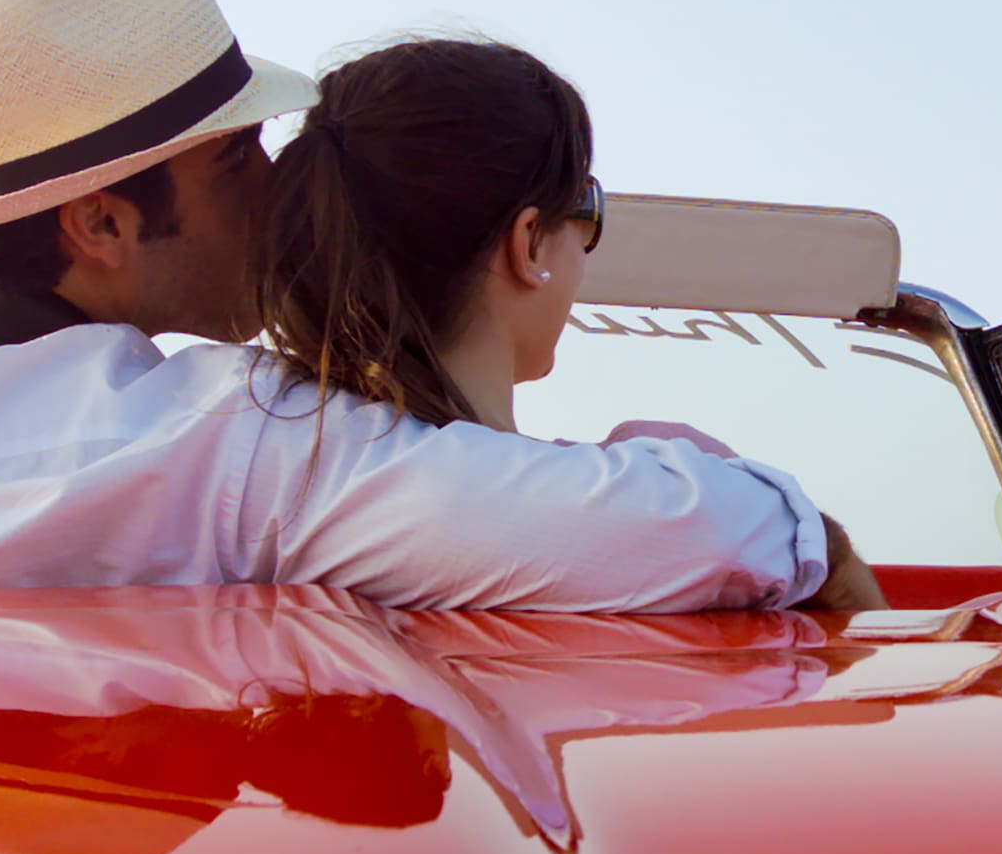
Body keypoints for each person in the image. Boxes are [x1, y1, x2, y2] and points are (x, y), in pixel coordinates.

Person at [0, 0, 879, 611]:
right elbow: (679, 529)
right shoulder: (229, 445)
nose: (276, 187)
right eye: (236, 156)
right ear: (103, 225)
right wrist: (802, 530)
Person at [252, 34, 884, 611]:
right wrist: (799, 532)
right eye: (587, 207)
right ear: (528, 244)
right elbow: (733, 532)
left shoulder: (229, 422)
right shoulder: (358, 480)